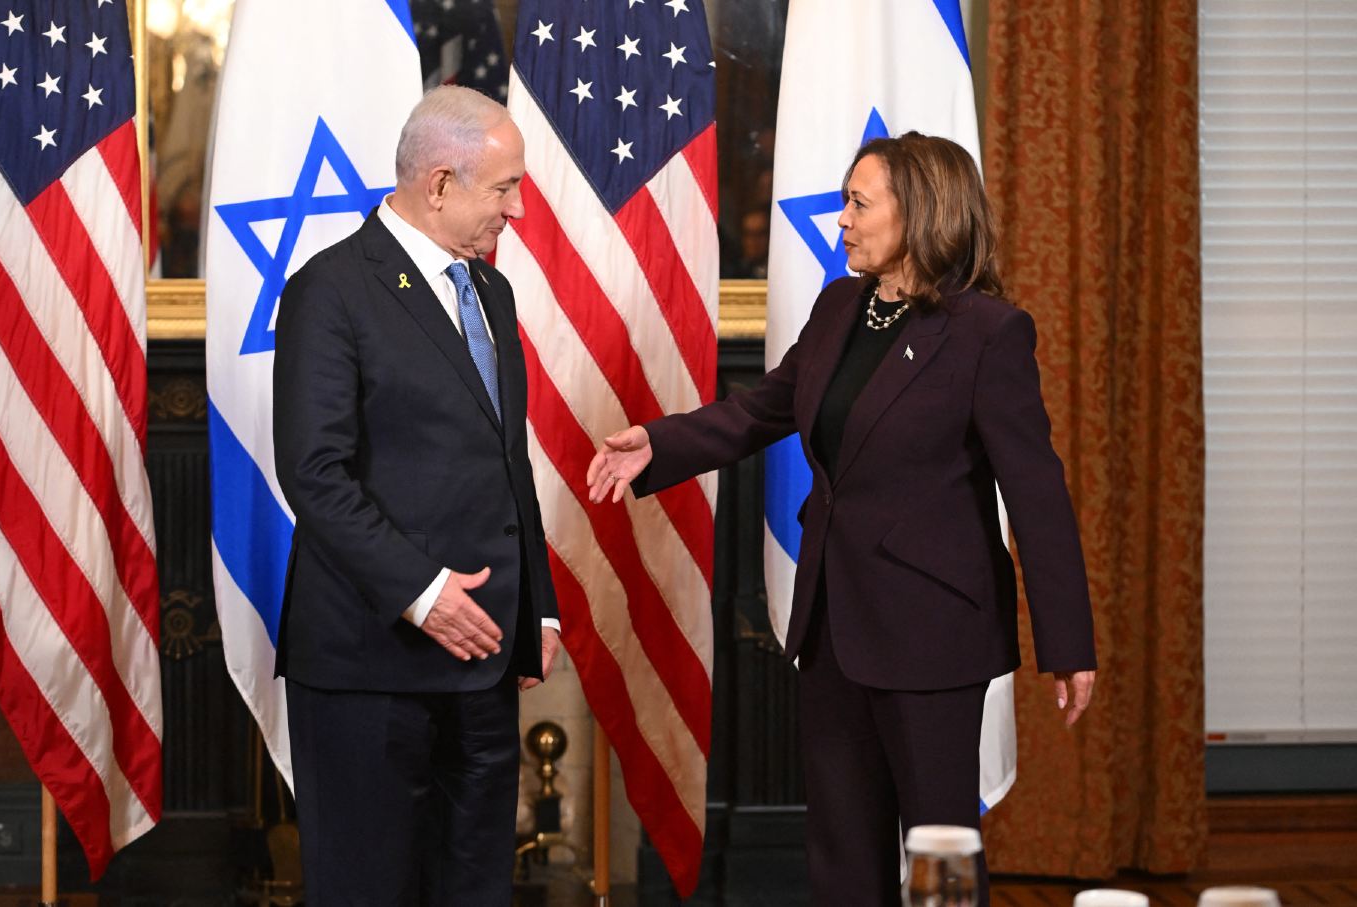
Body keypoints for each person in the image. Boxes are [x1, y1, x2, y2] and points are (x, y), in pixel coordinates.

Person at [587, 132, 1097, 906]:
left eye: (859, 203)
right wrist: (656, 444)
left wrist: (1068, 642)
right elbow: (764, 409)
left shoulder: (989, 333)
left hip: (933, 637)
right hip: (833, 628)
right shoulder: (840, 306)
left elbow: (1037, 494)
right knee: (842, 860)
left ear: (920, 212)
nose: (842, 221)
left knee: (939, 857)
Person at [272, 85, 560, 906]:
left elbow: (508, 462)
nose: (519, 209)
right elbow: (315, 475)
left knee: (474, 889)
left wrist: (538, 608)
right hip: (370, 664)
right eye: (504, 188)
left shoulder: (491, 292)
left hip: (484, 660)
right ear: (439, 184)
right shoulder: (329, 290)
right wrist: (424, 595)